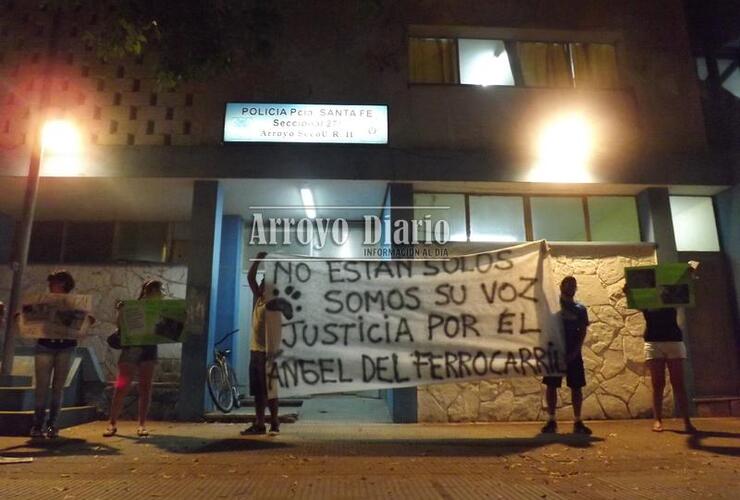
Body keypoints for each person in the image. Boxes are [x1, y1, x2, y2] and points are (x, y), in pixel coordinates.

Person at [624, 267, 698, 433]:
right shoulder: (647, 300)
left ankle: (686, 421)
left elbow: (685, 290)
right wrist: (628, 292)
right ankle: (657, 419)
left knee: (678, 383)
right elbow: (634, 301)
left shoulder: (671, 297)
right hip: (653, 340)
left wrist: (689, 276)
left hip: (673, 340)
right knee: (657, 383)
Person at [103, 280, 163, 438]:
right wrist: (122, 312)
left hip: (148, 349)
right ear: (145, 292)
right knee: (121, 386)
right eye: (152, 291)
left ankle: (142, 424)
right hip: (131, 349)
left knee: (145, 387)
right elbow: (121, 327)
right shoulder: (131, 307)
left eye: (156, 291)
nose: (154, 294)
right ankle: (112, 423)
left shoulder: (161, 309)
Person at [30, 271, 80, 438]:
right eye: (52, 284)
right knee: (41, 387)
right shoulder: (43, 301)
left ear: (65, 285)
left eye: (57, 284)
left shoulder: (74, 303)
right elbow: (31, 319)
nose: (54, 287)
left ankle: (52, 424)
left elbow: (82, 321)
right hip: (45, 345)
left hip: (65, 346)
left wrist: (86, 321)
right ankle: (37, 424)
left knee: (58, 388)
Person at [541, 276, 592, 435]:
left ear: (576, 288)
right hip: (554, 353)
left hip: (573, 353)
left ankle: (577, 421)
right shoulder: (552, 307)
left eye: (573, 285)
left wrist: (575, 352)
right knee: (551, 386)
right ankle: (551, 420)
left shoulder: (580, 309)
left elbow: (583, 332)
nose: (570, 287)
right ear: (561, 286)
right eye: (567, 284)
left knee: (576, 387)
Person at [241, 251, 280, 435]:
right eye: (263, 284)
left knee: (269, 389)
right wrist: (257, 260)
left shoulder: (274, 304)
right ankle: (261, 423)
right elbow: (250, 278)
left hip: (268, 352)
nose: (263, 287)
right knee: (259, 390)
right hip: (255, 351)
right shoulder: (258, 299)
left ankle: (273, 421)